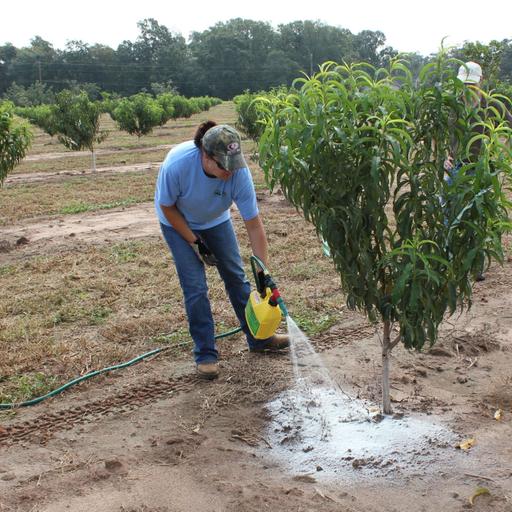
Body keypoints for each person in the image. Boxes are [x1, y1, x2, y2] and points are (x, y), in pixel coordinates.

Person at [155, 121, 289, 380]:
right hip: (177, 221)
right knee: (195, 286)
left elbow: (254, 226)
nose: (229, 172)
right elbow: (168, 207)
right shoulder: (177, 165)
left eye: (233, 164)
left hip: (216, 220)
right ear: (205, 156)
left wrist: (262, 272)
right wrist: (195, 242)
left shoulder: (239, 172)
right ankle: (205, 354)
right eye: (222, 166)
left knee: (237, 278)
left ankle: (259, 338)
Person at [444, 61, 512, 281]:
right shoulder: (452, 104)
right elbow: (441, 134)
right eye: (464, 84)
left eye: (472, 84)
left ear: (480, 81)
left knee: (477, 217)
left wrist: (501, 156)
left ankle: (475, 266)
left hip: (480, 169)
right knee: (449, 214)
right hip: (455, 167)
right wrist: (443, 156)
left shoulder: (490, 104)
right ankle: (450, 261)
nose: (468, 88)